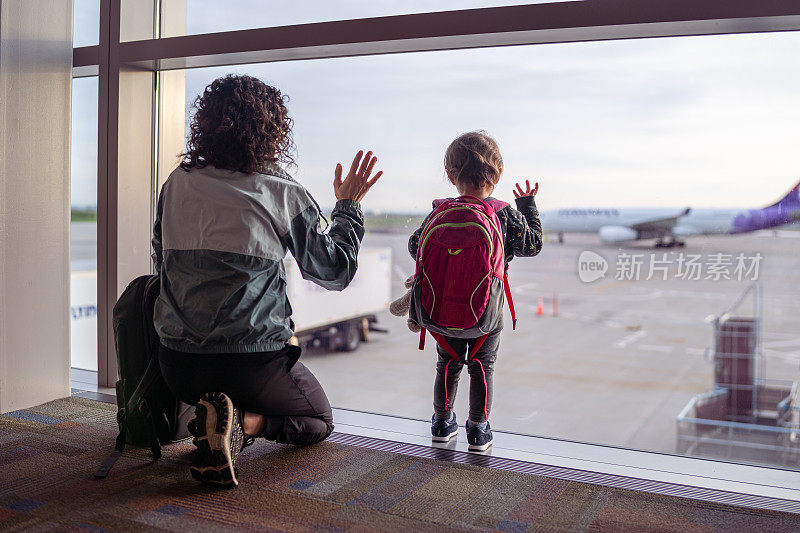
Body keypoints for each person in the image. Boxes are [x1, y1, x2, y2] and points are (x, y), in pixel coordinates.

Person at [152, 74, 382, 486]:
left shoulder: (175, 185)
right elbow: (334, 271)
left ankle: (217, 422)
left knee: (210, 375)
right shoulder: (279, 192)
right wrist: (348, 207)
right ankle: (244, 422)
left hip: (178, 366)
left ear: (205, 124)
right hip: (249, 365)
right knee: (318, 420)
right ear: (273, 131)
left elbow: (160, 263)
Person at [407, 130, 542, 451]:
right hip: (485, 311)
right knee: (483, 365)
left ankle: (441, 423)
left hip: (439, 309)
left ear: (452, 176)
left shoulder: (440, 210)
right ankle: (478, 430)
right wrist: (528, 206)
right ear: (497, 174)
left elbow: (415, 246)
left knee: (447, 363)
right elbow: (533, 245)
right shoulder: (504, 213)